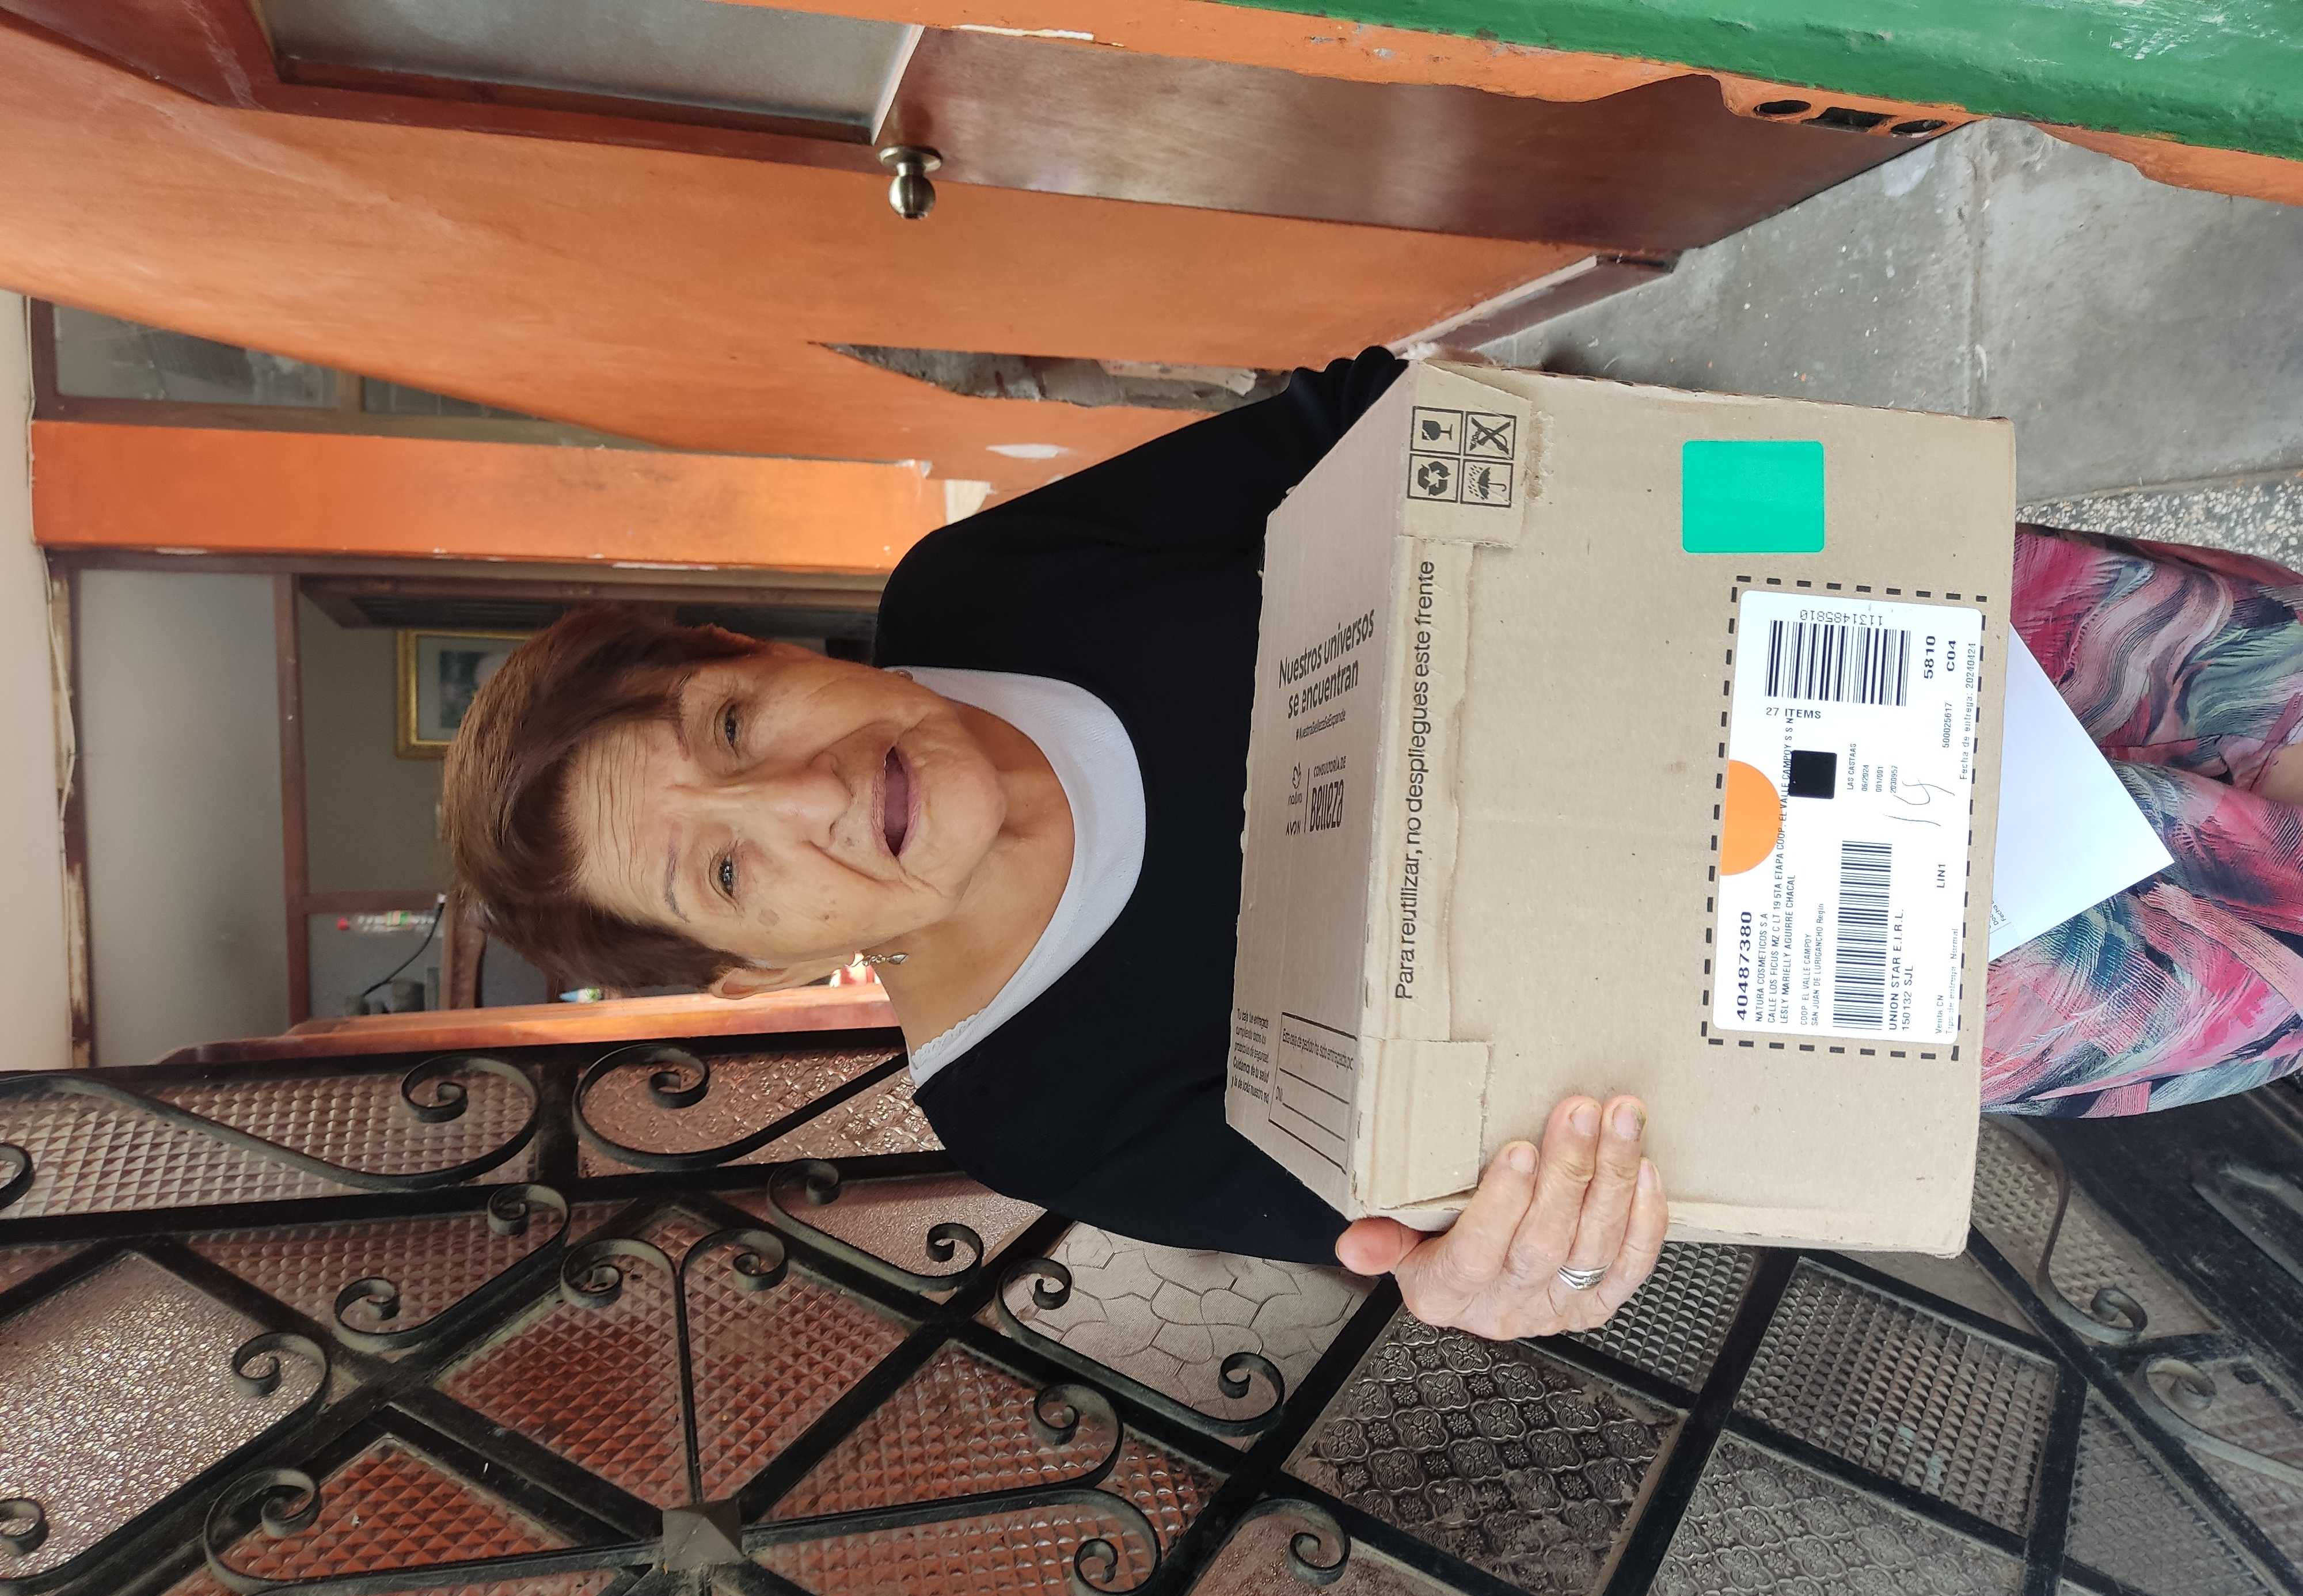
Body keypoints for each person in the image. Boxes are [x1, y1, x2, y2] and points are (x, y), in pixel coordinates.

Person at [444, 348, 2303, 1341]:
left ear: (757, 648)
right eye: (725, 872)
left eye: (732, 725)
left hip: (1840, 606)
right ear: (753, 965)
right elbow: (1408, 1225)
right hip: (1882, 956)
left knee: (2265, 680)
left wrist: (1738, 473)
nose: (804, 799)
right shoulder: (1037, 1105)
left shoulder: (992, 583)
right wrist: (1492, 1281)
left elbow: (1366, 426)